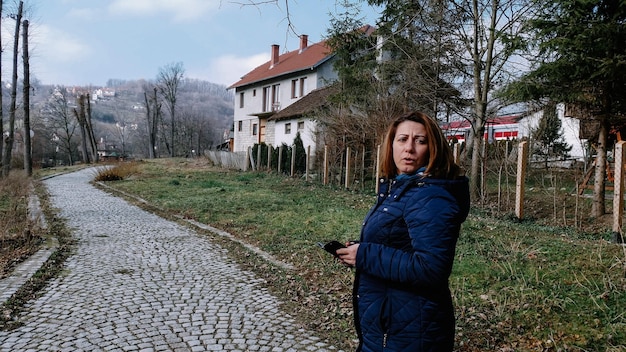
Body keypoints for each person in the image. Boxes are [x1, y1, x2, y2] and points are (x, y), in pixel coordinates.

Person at [337, 111, 470, 351]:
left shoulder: (430, 196)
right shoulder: (399, 189)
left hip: (412, 330)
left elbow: (431, 268)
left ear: (433, 149)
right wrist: (358, 250)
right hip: (391, 323)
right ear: (391, 145)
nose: (409, 148)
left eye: (420, 141)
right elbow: (395, 241)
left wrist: (365, 255)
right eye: (402, 139)